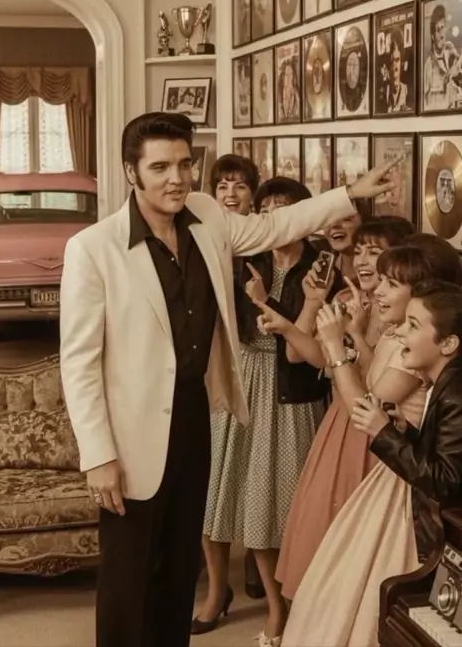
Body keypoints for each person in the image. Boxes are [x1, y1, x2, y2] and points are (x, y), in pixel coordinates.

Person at [59, 112, 393, 647]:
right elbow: (78, 362)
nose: (177, 178)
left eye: (184, 164)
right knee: (128, 575)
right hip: (129, 432)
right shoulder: (93, 248)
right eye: (160, 167)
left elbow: (277, 226)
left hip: (196, 415)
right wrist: (97, 454)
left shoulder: (208, 215)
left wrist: (349, 194)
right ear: (131, 172)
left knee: (178, 570)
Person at [280, 245, 459, 647]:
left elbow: (443, 477)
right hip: (393, 465)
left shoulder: (443, 381)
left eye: (391, 283)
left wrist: (336, 348)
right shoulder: (426, 361)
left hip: (401, 480)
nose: (379, 289)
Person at [195, 178, 344, 646]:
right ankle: (227, 594)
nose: (274, 219)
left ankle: (285, 607)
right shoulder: (245, 258)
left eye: (285, 210)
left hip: (289, 396)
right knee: (219, 496)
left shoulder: (321, 268)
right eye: (266, 211)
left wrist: (264, 299)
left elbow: (300, 348)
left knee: (274, 507)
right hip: (242, 381)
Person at [273, 217, 414, 602]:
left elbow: (374, 390)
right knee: (320, 525)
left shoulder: (402, 316)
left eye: (375, 251)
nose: (364, 260)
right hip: (339, 424)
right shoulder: (345, 300)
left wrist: (349, 338)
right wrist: (304, 311)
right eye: (360, 251)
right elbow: (304, 356)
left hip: (373, 430)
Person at [355, 280, 462, 561]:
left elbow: (445, 483)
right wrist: (407, 433)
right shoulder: (447, 385)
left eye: (413, 325)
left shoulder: (456, 395)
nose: (400, 332)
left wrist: (383, 434)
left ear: (448, 344)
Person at [208, 153, 265, 599]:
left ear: (253, 196)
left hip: (261, 372)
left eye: (240, 186)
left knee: (255, 479)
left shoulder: (267, 247)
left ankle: (254, 565)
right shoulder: (204, 240)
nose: (230, 194)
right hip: (216, 370)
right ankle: (216, 589)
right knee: (214, 482)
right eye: (222, 186)